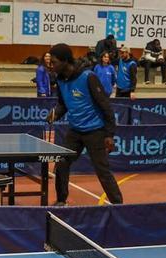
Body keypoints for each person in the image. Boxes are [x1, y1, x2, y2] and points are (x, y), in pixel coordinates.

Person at [46, 43, 122, 206]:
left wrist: (109, 134)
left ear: (65, 61)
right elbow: (63, 104)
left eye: (54, 62)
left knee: (102, 170)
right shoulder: (60, 80)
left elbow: (105, 106)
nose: (51, 65)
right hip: (75, 130)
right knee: (61, 164)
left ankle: (118, 206)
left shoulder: (88, 77)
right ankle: (61, 201)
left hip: (95, 131)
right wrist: (56, 113)